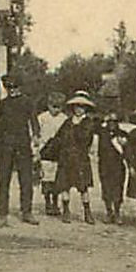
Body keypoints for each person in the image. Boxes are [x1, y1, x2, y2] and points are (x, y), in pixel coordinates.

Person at [0, 71, 41, 226]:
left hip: (23, 145)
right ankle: (2, 214)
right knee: (4, 180)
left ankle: (27, 212)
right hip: (5, 145)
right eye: (8, 88)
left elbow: (34, 121)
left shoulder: (28, 102)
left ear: (20, 88)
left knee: (26, 179)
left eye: (14, 88)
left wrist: (36, 135)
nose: (12, 91)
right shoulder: (2, 104)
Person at [52, 91, 99, 224]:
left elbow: (85, 138)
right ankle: (66, 211)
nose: (78, 109)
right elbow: (59, 137)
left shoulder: (88, 122)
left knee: (83, 187)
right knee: (64, 185)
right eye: (76, 106)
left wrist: (76, 128)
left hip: (80, 157)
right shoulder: (67, 122)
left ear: (86, 108)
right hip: (66, 157)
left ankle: (87, 212)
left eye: (81, 106)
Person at [96, 111, 129, 224]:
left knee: (117, 189)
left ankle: (117, 212)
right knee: (106, 188)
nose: (112, 124)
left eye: (114, 121)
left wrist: (124, 145)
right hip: (104, 164)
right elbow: (95, 124)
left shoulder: (123, 134)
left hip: (118, 165)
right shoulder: (102, 132)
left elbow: (129, 151)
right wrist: (103, 119)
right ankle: (109, 212)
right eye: (110, 121)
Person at [37, 93, 66, 217]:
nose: (56, 110)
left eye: (58, 107)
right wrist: (36, 150)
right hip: (45, 151)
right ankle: (47, 202)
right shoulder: (42, 118)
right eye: (53, 106)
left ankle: (55, 203)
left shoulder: (64, 119)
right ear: (48, 105)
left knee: (56, 178)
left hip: (58, 151)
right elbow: (36, 134)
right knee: (46, 178)